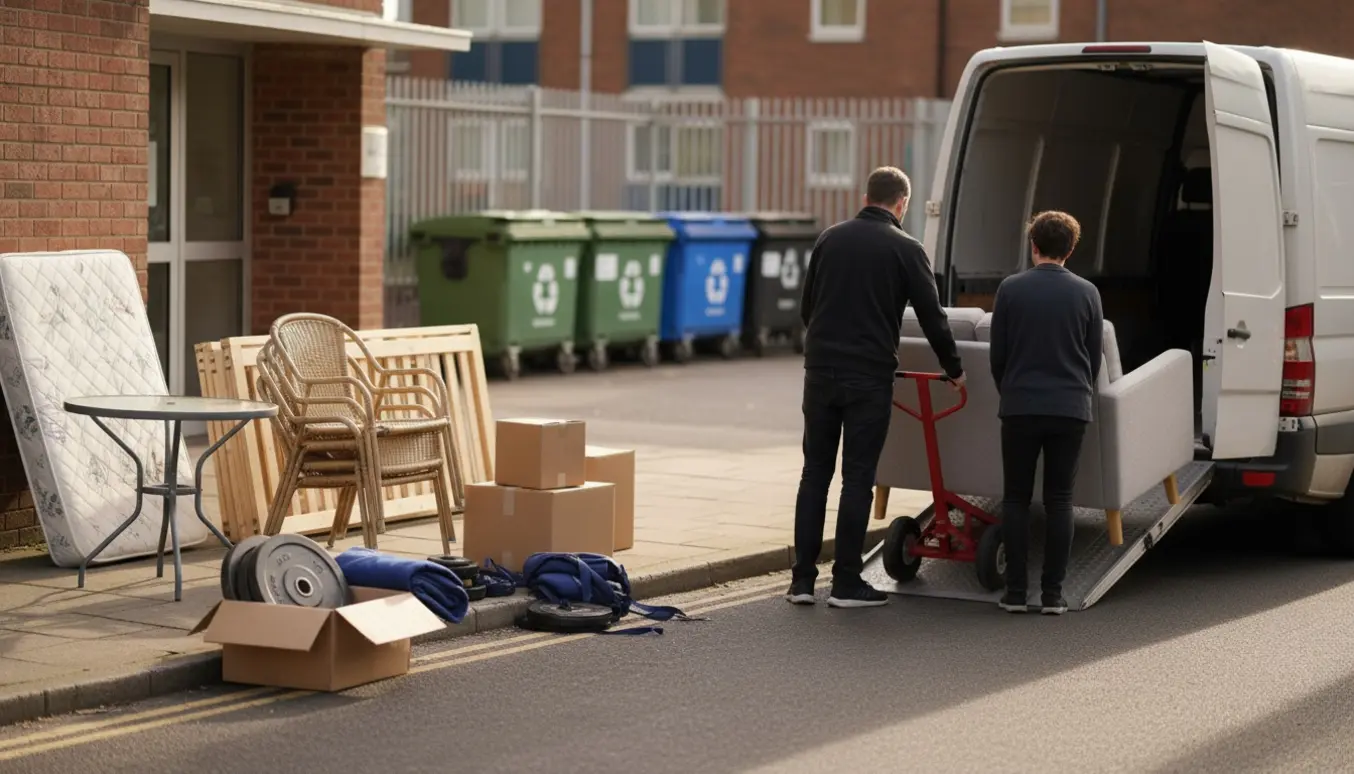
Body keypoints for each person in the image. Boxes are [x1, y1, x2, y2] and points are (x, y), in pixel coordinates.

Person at [787, 166, 966, 609]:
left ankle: (802, 583)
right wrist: (954, 368)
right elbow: (932, 316)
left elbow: (808, 307)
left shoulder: (830, 238)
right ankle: (846, 582)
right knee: (858, 477)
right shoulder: (907, 248)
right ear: (902, 203)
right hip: (868, 376)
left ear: (866, 196)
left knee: (814, 475)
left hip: (820, 371)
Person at [989, 210, 1103, 616]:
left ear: (1033, 246)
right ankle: (1052, 595)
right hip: (1070, 407)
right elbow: (1093, 358)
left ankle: (1016, 594)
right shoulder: (1088, 293)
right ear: (1070, 250)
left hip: (1020, 405)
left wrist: (1013, 390)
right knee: (1060, 500)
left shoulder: (1009, 289)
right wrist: (1076, 391)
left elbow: (997, 356)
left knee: (1017, 498)